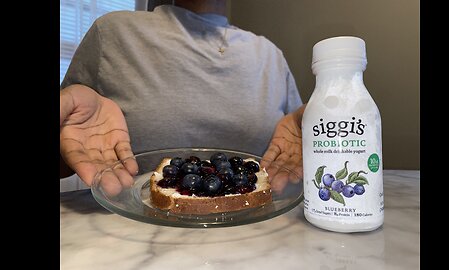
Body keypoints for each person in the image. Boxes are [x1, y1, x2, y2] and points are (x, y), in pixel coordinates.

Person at [60, 0, 305, 195]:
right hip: (130, 241)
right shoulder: (112, 32)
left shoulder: (271, 56)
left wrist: (319, 128)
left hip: (258, 238)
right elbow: (69, 159)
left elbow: (293, 158)